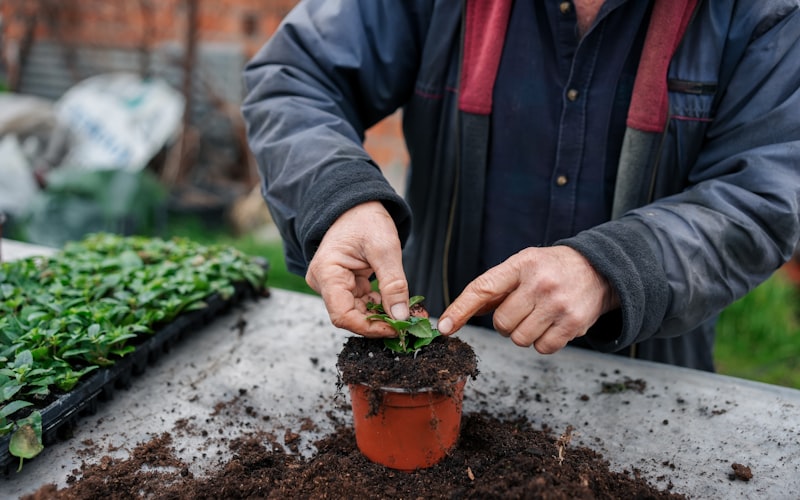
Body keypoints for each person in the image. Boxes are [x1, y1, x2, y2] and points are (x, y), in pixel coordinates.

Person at [242, 0, 800, 371]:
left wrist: (611, 269)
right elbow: (295, 77)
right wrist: (338, 197)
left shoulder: (764, 14)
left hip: (645, 382)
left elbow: (762, 197)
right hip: (442, 363)